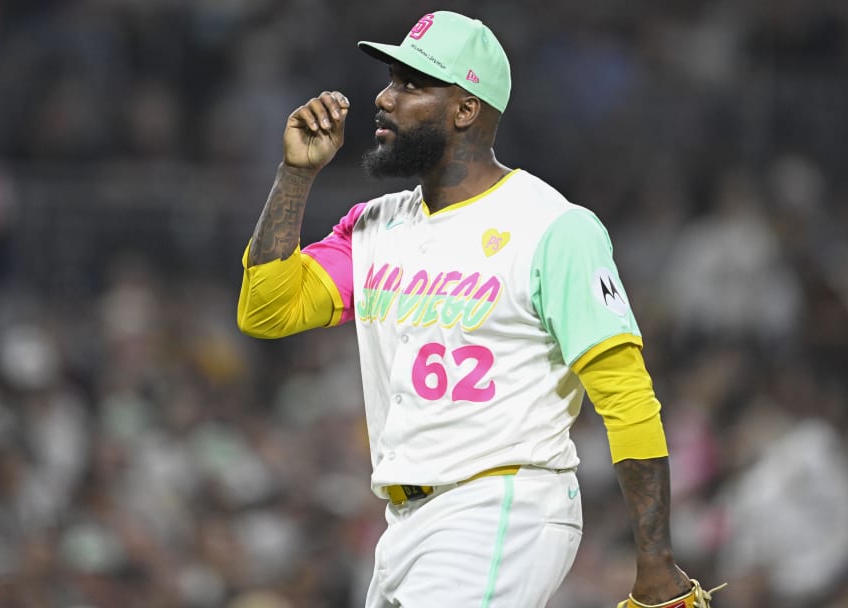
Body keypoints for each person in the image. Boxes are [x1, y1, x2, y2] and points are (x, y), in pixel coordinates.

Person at [237, 10, 722, 608]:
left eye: (413, 84)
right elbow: (266, 309)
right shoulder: (375, 225)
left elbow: (625, 396)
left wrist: (657, 562)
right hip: (404, 524)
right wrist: (294, 175)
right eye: (392, 79)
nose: (385, 99)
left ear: (465, 109)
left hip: (502, 506)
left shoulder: (553, 228)